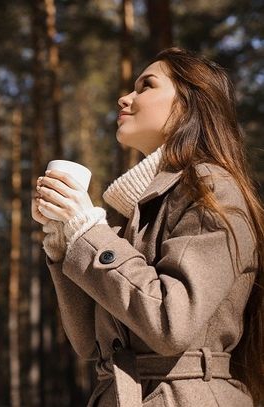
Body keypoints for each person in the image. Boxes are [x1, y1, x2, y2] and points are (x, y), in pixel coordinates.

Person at [31, 47, 264, 406]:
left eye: (146, 86)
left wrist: (89, 231)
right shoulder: (139, 215)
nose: (125, 98)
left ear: (189, 105)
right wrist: (67, 239)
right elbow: (90, 344)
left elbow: (172, 322)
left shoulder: (211, 189)